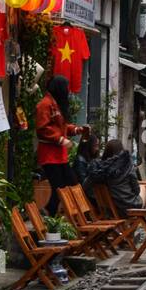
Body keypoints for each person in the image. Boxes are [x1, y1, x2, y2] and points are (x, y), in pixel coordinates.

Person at [35, 75, 85, 215]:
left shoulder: (54, 103)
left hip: (58, 155)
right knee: (60, 186)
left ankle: (53, 213)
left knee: (70, 183)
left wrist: (76, 130)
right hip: (49, 155)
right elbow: (42, 129)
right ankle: (49, 214)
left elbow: (61, 127)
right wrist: (61, 140)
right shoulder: (45, 104)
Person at [84, 139, 143, 215]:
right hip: (127, 207)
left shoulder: (99, 170)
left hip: (108, 209)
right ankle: (137, 220)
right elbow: (137, 190)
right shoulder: (127, 165)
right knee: (143, 188)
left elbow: (85, 186)